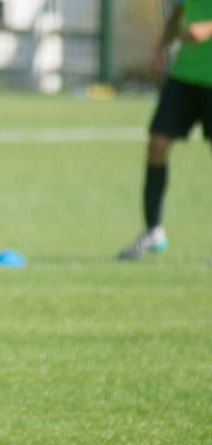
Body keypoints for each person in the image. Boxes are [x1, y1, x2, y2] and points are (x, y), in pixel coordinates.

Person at [119, 0, 212, 260]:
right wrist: (160, 49)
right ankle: (153, 231)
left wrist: (209, 27)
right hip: (184, 74)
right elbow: (178, 14)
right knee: (157, 144)